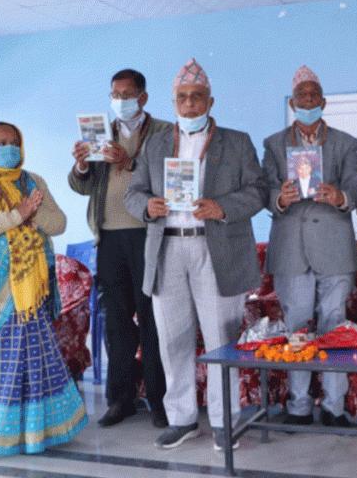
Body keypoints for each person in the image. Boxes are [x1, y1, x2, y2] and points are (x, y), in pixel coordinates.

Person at [125, 58, 266, 449]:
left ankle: (225, 421)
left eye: (197, 97)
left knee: (222, 339)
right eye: (182, 97)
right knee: (173, 340)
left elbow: (258, 191)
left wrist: (222, 208)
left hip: (215, 247)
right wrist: (147, 205)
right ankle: (182, 418)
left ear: (210, 100)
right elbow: (132, 192)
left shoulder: (236, 142)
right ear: (173, 102)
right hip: (167, 247)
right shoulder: (154, 143)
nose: (189, 104)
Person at [0, 122, 87, 455]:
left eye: (14, 142)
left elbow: (59, 223)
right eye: (1, 142)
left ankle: (36, 434)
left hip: (30, 295)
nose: (8, 147)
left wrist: (34, 214)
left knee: (33, 361)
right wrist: (17, 215)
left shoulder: (33, 182)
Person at [262, 65, 357, 427]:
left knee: (334, 326)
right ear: (293, 103)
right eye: (301, 96)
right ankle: (299, 406)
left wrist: (340, 197)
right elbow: (264, 189)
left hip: (335, 247)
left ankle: (335, 407)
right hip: (291, 248)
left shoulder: (345, 142)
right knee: (296, 327)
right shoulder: (274, 143)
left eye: (313, 95)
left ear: (324, 102)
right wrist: (279, 198)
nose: (308, 101)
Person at [69, 69, 171, 429]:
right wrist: (82, 164)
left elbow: (170, 177)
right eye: (115, 93)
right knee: (115, 322)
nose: (120, 100)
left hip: (148, 235)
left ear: (143, 98)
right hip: (108, 237)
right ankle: (120, 400)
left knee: (151, 319)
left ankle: (160, 402)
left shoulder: (163, 132)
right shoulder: (100, 132)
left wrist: (128, 163)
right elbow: (82, 186)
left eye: (127, 94)